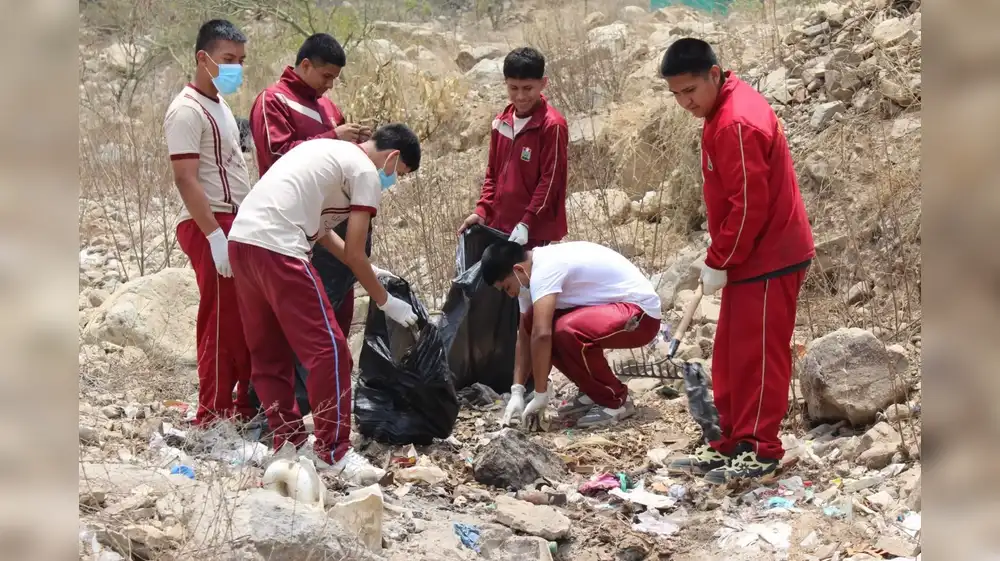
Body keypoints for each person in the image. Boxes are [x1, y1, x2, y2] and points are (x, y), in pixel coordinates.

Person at [658, 38, 815, 484]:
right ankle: (730, 442)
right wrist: (723, 257)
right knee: (732, 354)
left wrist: (720, 258)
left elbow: (749, 207)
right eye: (676, 94)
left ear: (714, 73)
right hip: (750, 255)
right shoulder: (720, 110)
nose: (685, 103)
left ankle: (760, 450)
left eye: (690, 91)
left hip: (770, 255)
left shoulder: (736, 122)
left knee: (759, 357)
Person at [227, 124, 421, 484]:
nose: (393, 181)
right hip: (280, 248)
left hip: (242, 243)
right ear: (392, 157)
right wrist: (385, 301)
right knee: (330, 350)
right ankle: (334, 452)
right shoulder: (365, 171)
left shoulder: (328, 152)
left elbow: (323, 232)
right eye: (400, 173)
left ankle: (288, 443)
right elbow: (356, 250)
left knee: (268, 354)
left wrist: (369, 270)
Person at [247, 32, 374, 417]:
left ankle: (326, 403)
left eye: (335, 78)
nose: (329, 84)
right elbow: (277, 158)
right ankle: (280, 409)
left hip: (330, 225)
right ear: (305, 65)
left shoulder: (328, 106)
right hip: (289, 231)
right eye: (325, 76)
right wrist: (333, 137)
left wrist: (358, 145)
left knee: (336, 318)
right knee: (298, 324)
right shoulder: (273, 101)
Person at [163, 19, 255, 426]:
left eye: (241, 60)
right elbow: (185, 178)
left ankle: (243, 404)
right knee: (219, 318)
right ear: (203, 58)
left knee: (244, 316)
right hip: (210, 220)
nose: (236, 67)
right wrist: (215, 236)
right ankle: (212, 412)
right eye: (228, 59)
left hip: (236, 219)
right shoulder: (187, 110)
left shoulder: (221, 105)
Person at [482, 241, 662, 429]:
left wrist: (540, 394)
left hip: (640, 315)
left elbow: (541, 335)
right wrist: (517, 391)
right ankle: (594, 392)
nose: (510, 295)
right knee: (536, 321)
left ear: (518, 269)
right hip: (608, 309)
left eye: (507, 287)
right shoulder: (527, 276)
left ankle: (615, 401)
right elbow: (526, 335)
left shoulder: (545, 269)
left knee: (565, 331)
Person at [457, 47, 568, 250]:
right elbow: (492, 174)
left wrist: (527, 223)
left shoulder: (552, 126)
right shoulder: (501, 123)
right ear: (505, 84)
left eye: (528, 88)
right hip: (499, 227)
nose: (520, 96)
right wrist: (482, 211)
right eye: (513, 88)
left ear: (543, 83)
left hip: (532, 234)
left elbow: (550, 182)